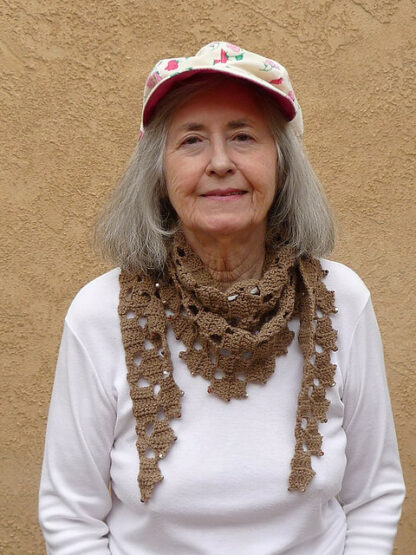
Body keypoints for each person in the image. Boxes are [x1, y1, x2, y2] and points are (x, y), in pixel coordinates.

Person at [39, 41, 405, 554]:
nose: (219, 162)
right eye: (191, 141)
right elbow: (70, 513)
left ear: (281, 165)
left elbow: (372, 496)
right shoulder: (99, 314)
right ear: (160, 176)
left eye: (243, 136)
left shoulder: (343, 299)